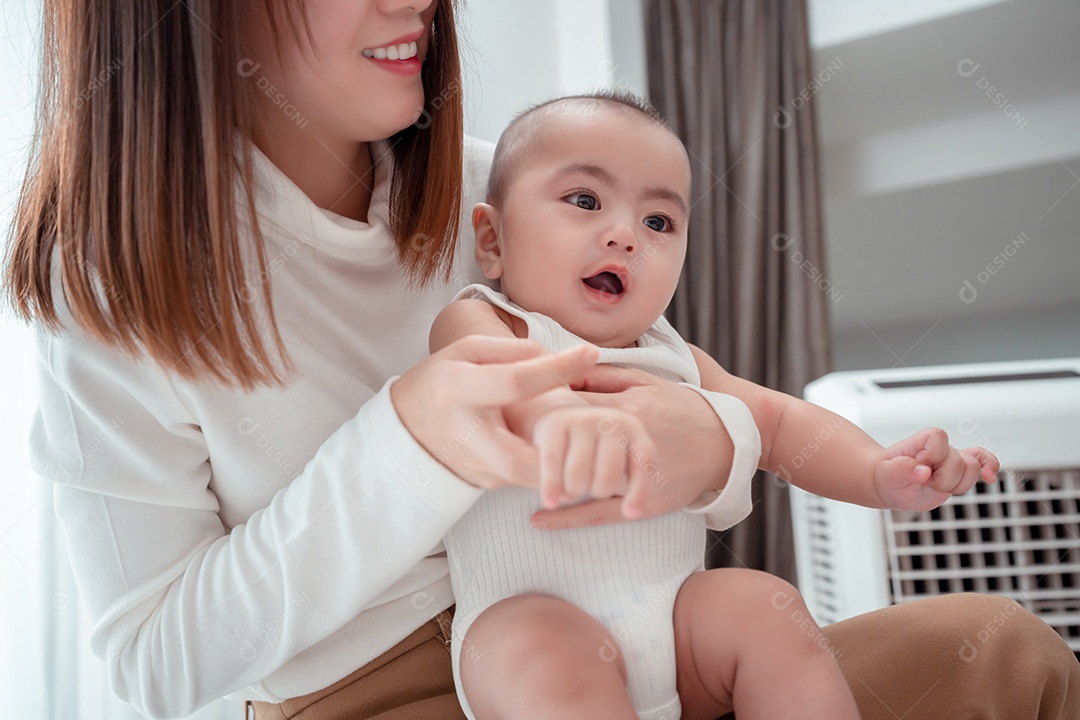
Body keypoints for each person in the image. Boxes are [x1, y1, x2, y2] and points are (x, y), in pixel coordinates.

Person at [2, 2, 1077, 719]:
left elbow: (702, 389)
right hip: (372, 688)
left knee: (1002, 649)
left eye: (661, 221)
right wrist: (410, 443)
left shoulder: (531, 185)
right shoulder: (110, 291)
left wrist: (707, 442)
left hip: (648, 631)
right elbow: (152, 665)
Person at [428, 91, 1001, 720]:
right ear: (492, 239)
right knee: (537, 649)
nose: (624, 236)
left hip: (677, 627)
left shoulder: (678, 359)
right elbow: (480, 388)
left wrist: (877, 472)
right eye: (585, 201)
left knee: (762, 604)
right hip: (527, 622)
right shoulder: (488, 321)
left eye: (658, 222)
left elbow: (779, 422)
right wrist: (559, 420)